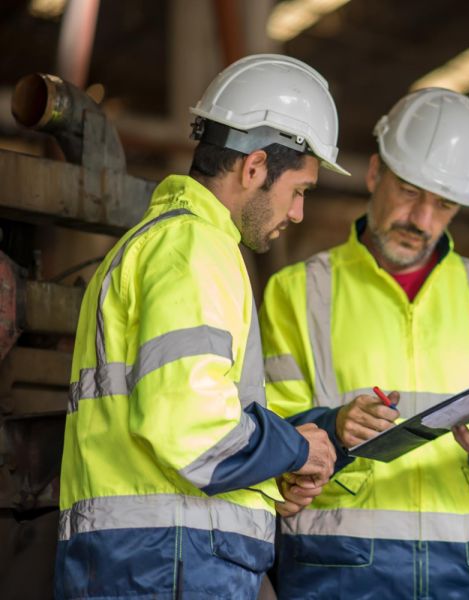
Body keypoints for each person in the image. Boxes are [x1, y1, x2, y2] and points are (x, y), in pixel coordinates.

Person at [260, 88, 469, 599]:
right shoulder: (298, 293)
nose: (422, 220)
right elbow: (264, 429)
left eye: (443, 204)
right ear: (374, 174)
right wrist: (332, 427)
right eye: (409, 192)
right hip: (344, 574)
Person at [54, 54, 347, 599]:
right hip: (169, 561)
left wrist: (266, 479)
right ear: (255, 167)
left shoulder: (164, 242)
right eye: (300, 190)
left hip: (150, 559)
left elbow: (186, 424)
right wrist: (295, 448)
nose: (299, 213)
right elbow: (190, 428)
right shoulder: (194, 248)